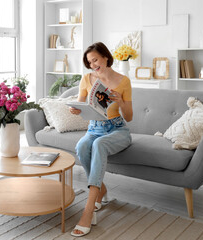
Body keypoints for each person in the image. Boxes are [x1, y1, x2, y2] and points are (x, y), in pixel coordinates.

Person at [69, 42, 133, 237]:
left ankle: (88, 211)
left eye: (95, 59)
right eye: (89, 62)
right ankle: (101, 188)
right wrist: (76, 109)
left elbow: (129, 117)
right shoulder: (87, 79)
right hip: (94, 128)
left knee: (99, 144)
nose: (93, 65)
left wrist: (120, 102)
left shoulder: (123, 81)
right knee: (81, 146)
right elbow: (81, 104)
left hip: (117, 129)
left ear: (106, 57)